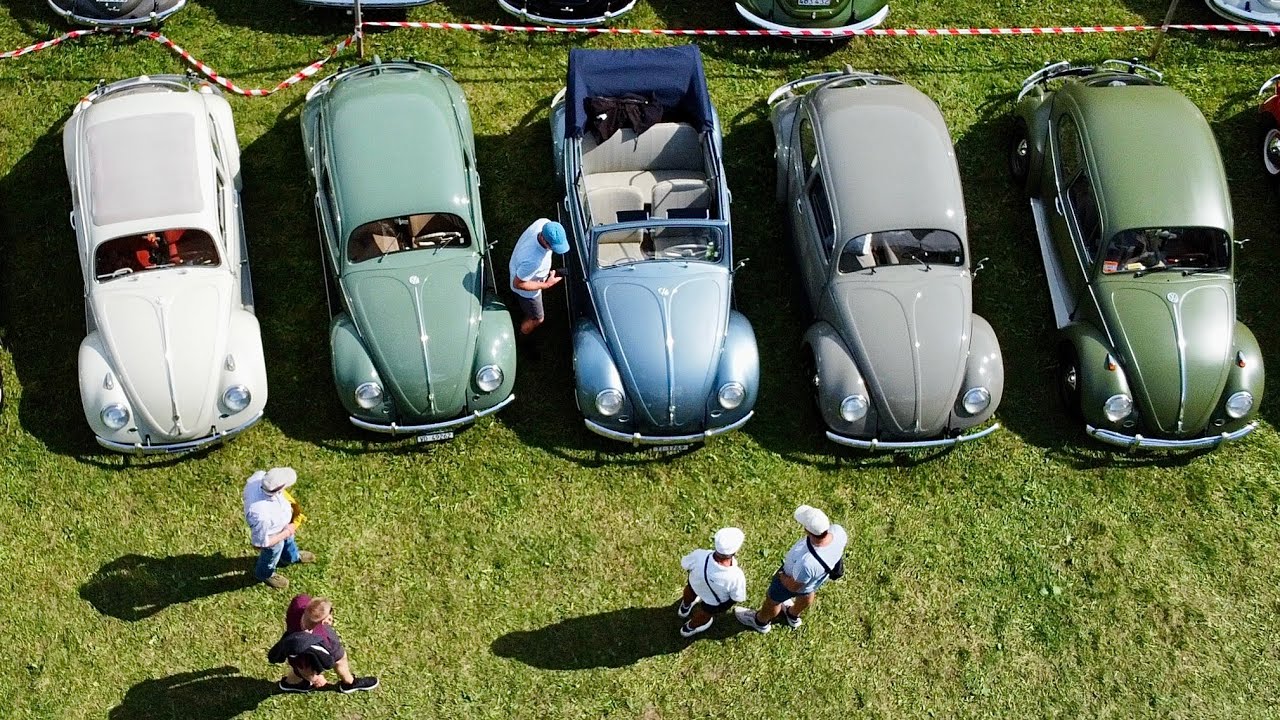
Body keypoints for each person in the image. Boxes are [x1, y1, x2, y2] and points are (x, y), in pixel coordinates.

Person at [736, 505, 847, 633]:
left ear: (808, 530)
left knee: (773, 600)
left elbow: (793, 586)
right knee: (807, 592)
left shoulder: (808, 562)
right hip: (816, 580)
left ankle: (760, 622)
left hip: (792, 580)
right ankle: (793, 615)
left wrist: (782, 575)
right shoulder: (838, 531)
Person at [273, 596, 379, 694]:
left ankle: (289, 684)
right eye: (330, 613)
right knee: (340, 658)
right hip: (316, 654)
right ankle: (349, 683)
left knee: (296, 671)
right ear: (323, 621)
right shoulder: (304, 642)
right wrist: (315, 678)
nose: (331, 616)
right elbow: (302, 666)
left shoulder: (300, 602)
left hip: (293, 644)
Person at [242, 467, 314, 589]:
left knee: (289, 542)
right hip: (272, 537)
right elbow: (260, 544)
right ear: (279, 489)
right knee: (271, 555)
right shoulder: (261, 516)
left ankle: (291, 557)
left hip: (284, 527)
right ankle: (264, 574)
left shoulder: (260, 476)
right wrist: (286, 532)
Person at [677, 527, 748, 638]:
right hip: (712, 602)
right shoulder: (736, 576)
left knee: (690, 591)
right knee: (705, 614)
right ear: (735, 551)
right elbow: (737, 597)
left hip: (694, 584)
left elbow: (685, 564)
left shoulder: (700, 555)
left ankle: (684, 608)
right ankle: (688, 628)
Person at [508, 219, 569, 336]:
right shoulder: (533, 260)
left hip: (518, 267)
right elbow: (518, 284)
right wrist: (547, 284)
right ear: (544, 240)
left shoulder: (543, 223)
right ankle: (521, 335)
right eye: (553, 247)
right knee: (537, 318)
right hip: (526, 292)